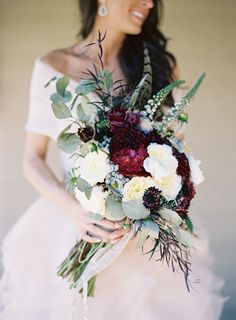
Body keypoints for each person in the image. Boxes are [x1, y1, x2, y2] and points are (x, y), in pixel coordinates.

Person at [0, 0, 226, 319]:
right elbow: (32, 160)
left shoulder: (161, 67)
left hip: (145, 236)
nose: (148, 3)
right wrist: (75, 211)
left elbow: (176, 155)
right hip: (77, 226)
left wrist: (155, 199)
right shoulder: (53, 67)